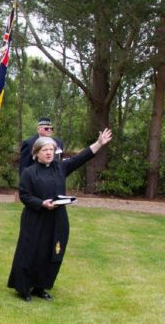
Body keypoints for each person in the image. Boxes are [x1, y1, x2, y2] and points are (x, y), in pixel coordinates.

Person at [7, 128, 113, 301]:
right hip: (35, 218)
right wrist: (42, 203)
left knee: (51, 252)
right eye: (45, 150)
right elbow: (24, 196)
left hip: (57, 219)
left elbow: (81, 157)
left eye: (51, 150)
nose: (49, 153)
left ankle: (41, 287)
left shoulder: (60, 167)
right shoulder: (29, 173)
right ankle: (23, 288)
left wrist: (99, 143)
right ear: (36, 153)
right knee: (30, 251)